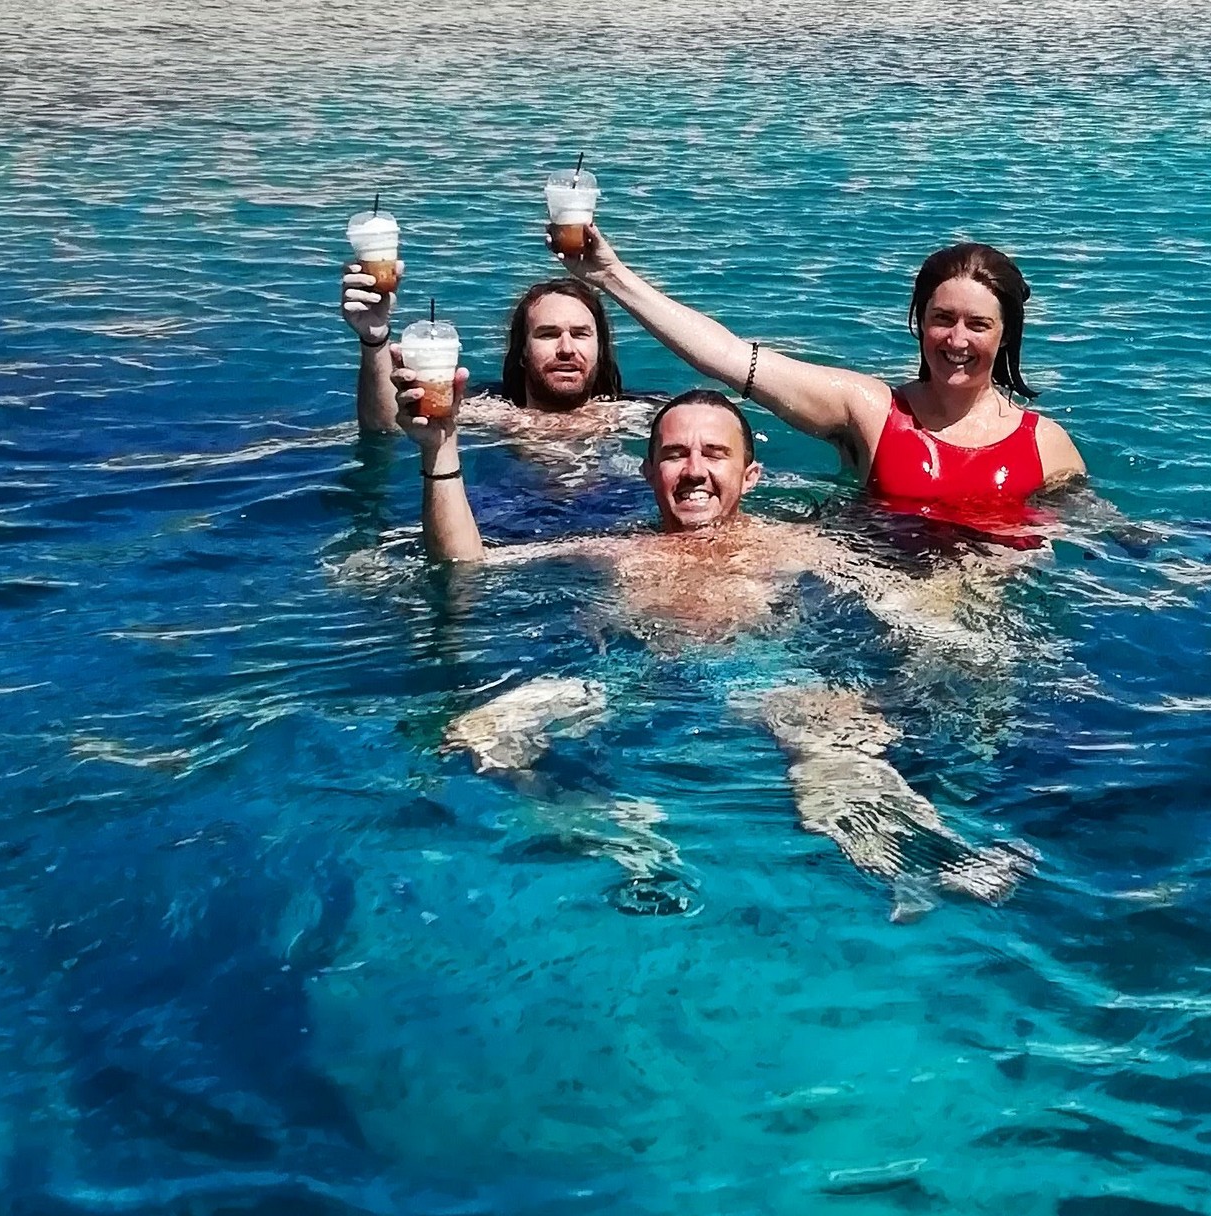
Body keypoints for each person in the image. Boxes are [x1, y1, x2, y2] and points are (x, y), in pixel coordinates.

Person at [399, 366, 1029, 904]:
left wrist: (966, 628)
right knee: (482, 733)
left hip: (763, 675)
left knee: (834, 745)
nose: (694, 471)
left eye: (714, 454)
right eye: (675, 454)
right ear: (648, 471)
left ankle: (926, 867)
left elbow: (893, 598)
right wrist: (440, 451)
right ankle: (611, 830)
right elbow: (466, 566)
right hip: (629, 676)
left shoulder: (793, 545)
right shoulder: (615, 551)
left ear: (750, 476)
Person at [551, 231, 1084, 527]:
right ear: (920, 324)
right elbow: (730, 357)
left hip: (987, 625)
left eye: (978, 324)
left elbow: (1091, 524)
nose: (957, 340)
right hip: (875, 605)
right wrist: (609, 277)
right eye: (942, 319)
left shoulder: (1046, 446)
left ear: (1006, 335)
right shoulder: (870, 412)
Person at [343, 269, 629, 436]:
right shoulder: (491, 411)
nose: (566, 349)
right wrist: (374, 338)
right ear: (522, 352)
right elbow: (385, 427)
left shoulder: (633, 415)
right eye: (548, 334)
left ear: (600, 349)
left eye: (580, 334)